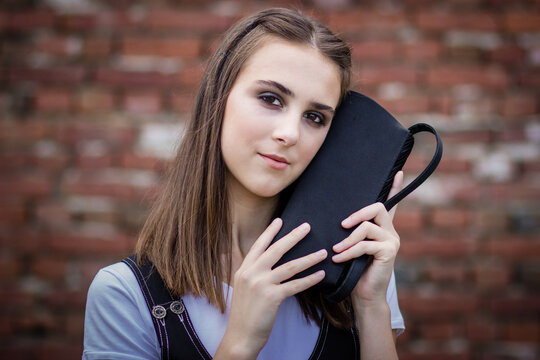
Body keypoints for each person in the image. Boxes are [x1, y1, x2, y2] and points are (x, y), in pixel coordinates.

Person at [83, 7, 405, 360]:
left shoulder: (356, 271)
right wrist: (240, 344)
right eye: (270, 99)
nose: (289, 134)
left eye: (315, 117)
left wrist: (372, 306)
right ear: (218, 98)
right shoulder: (124, 294)